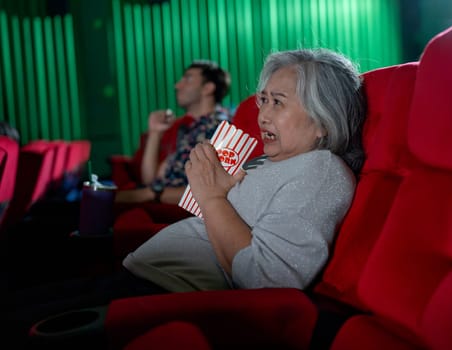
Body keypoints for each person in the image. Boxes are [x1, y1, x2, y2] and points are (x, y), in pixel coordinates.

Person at [2, 48, 366, 347]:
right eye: (263, 100)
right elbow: (201, 212)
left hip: (164, 297)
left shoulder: (320, 171)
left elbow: (266, 279)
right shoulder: (267, 163)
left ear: (323, 120)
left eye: (278, 103)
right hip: (144, 275)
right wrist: (213, 193)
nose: (262, 116)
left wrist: (211, 197)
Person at [114, 59, 231, 205]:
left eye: (187, 79)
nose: (177, 85)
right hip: (161, 201)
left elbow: (212, 189)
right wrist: (155, 132)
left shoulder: (217, 127)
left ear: (207, 88)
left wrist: (150, 194)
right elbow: (151, 179)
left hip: (179, 211)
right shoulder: (191, 127)